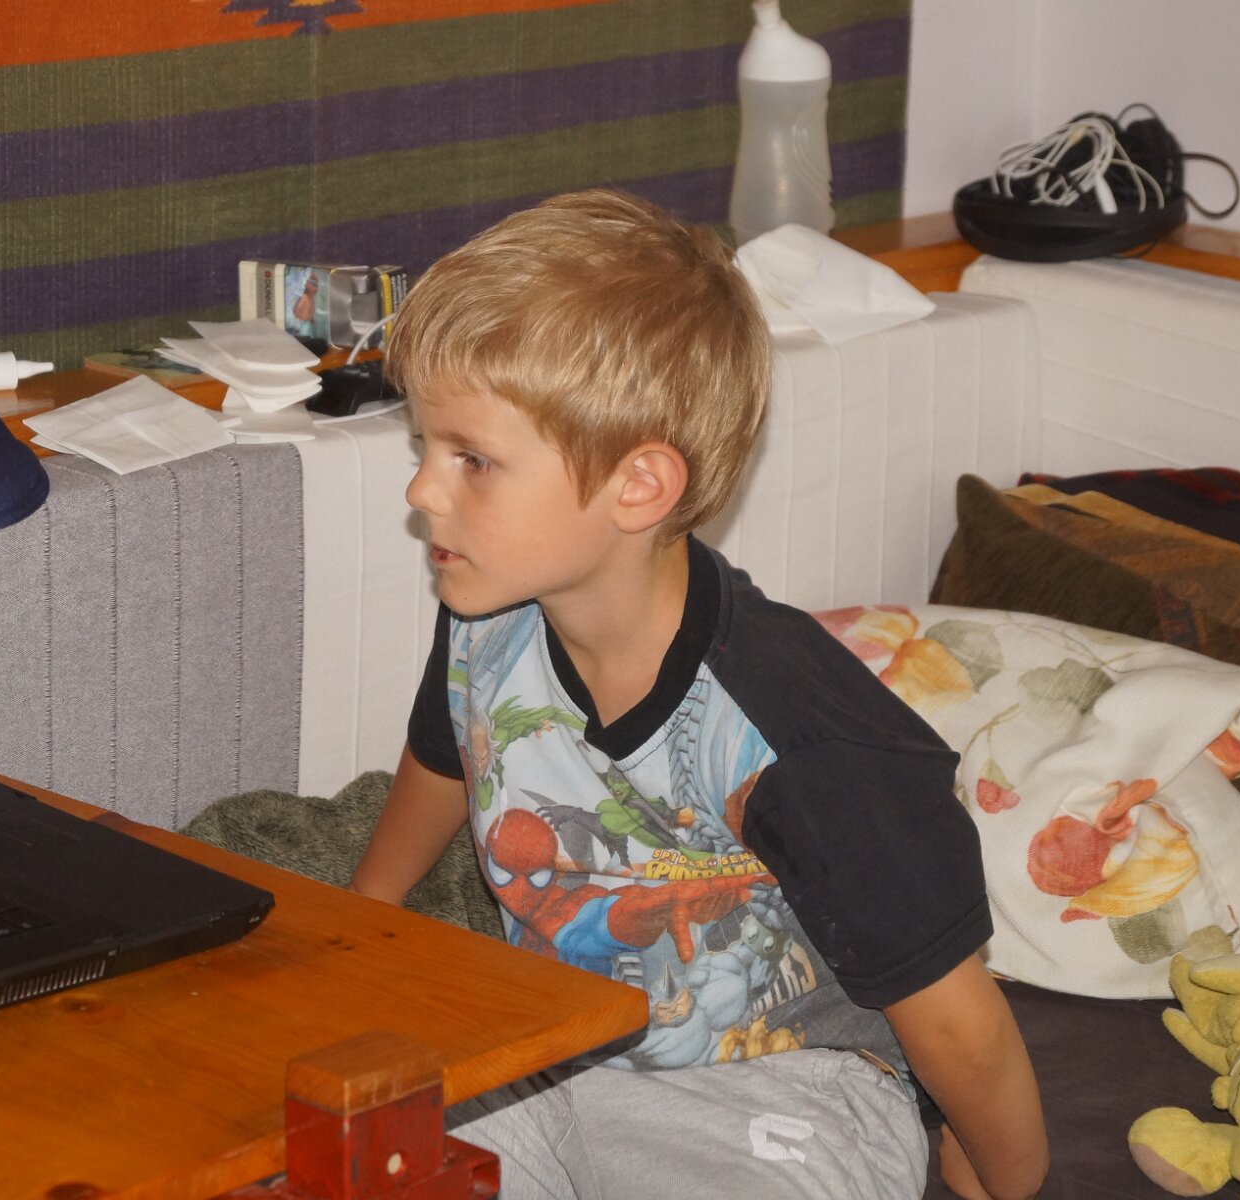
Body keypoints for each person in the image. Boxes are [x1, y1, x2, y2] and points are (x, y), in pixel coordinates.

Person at [348, 189, 1048, 1200]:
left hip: (780, 1090)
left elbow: (958, 1019)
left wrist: (1006, 1180)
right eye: (425, 447)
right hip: (542, 1057)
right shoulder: (486, 615)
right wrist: (362, 920)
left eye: (472, 460)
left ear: (638, 486)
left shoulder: (797, 733)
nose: (423, 490)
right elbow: (449, 751)